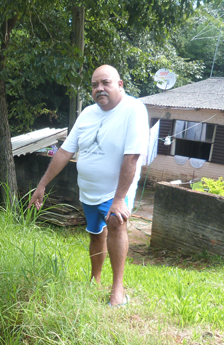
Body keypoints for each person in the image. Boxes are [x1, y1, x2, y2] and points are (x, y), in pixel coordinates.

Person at [28, 65, 149, 306]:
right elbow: (64, 152)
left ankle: (117, 289)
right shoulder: (87, 114)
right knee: (95, 233)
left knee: (115, 223)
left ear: (120, 84)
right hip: (88, 190)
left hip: (115, 190)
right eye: (94, 85)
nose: (99, 88)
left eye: (105, 82)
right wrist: (41, 185)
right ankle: (95, 278)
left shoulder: (133, 110)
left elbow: (132, 157)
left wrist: (118, 199)